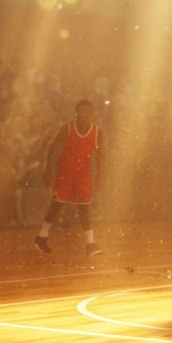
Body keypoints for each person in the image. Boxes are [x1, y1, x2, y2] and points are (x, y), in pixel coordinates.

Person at [35, 99, 104, 256]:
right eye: (81, 111)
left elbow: (101, 156)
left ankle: (90, 244)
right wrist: (48, 170)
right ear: (76, 113)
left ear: (91, 114)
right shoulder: (67, 128)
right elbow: (53, 149)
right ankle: (42, 237)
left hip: (83, 174)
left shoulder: (97, 132)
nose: (84, 114)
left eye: (87, 111)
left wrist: (99, 176)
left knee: (84, 208)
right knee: (57, 206)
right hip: (65, 172)